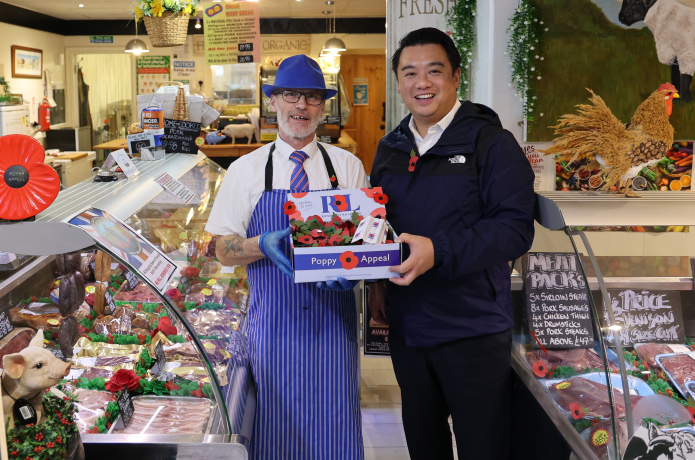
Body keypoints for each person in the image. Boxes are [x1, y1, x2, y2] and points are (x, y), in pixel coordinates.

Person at [368, 27, 536, 460]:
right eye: (409, 73)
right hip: (409, 328)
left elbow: (515, 229)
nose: (421, 83)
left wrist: (438, 250)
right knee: (425, 445)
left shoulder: (492, 144)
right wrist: (377, 285)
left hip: (473, 330)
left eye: (434, 71)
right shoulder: (390, 147)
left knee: (483, 448)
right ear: (399, 82)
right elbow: (380, 225)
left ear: (457, 76)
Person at [205, 54, 367, 460]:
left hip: (334, 327)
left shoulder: (347, 167)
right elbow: (219, 249)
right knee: (277, 433)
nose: (301, 106)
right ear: (273, 101)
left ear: (322, 106)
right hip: (272, 328)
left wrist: (356, 272)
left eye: (312, 97)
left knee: (336, 430)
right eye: (291, 95)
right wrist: (261, 245)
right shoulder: (245, 170)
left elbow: (369, 244)